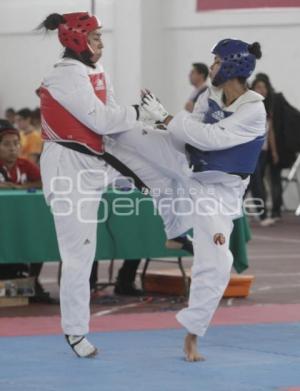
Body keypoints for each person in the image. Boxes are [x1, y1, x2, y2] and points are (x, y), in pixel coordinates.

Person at [38, 12, 192, 358]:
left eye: (101, 37)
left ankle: (178, 227)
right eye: (95, 38)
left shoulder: (95, 71)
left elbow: (112, 114)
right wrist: (140, 114)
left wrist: (150, 126)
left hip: (97, 156)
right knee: (80, 253)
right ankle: (75, 332)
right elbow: (102, 118)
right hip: (67, 169)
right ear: (77, 41)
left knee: (163, 163)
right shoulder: (63, 76)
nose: (102, 44)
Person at [127, 39, 266, 361]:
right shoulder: (209, 94)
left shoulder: (253, 109)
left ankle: (192, 335)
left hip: (217, 193)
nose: (212, 66)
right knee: (128, 135)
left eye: (216, 61)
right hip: (186, 162)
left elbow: (210, 138)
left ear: (232, 66)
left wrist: (168, 118)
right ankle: (175, 229)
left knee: (218, 262)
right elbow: (187, 132)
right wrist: (159, 123)